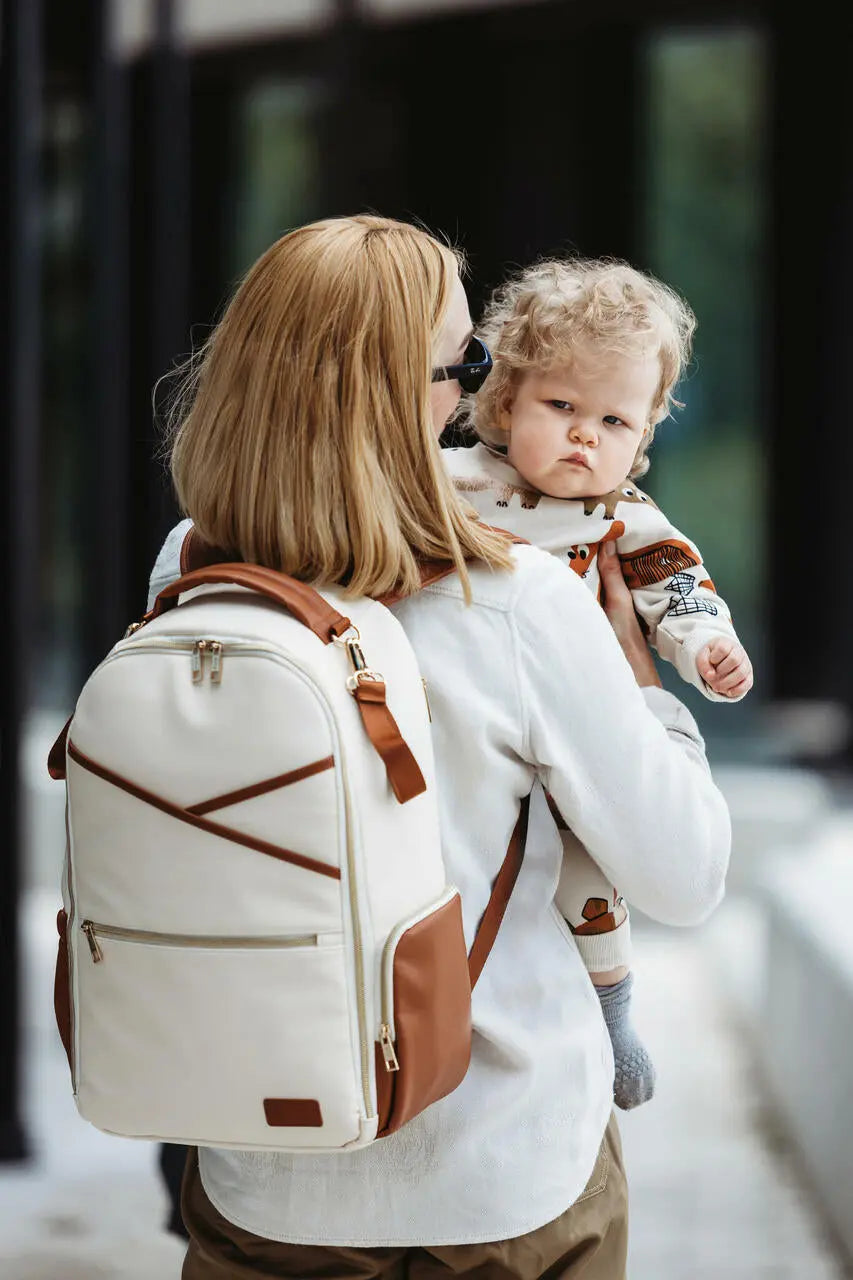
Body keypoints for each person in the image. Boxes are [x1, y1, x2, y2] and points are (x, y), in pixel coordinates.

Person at [146, 214, 731, 1280]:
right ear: (398, 389)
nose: (475, 392)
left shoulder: (189, 564)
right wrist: (643, 686)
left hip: (264, 1151)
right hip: (505, 1168)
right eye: (464, 362)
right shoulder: (518, 598)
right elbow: (685, 875)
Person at [443, 256, 752, 1111]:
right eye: (561, 407)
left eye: (613, 420)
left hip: (580, 734)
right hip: (475, 728)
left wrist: (703, 651)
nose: (585, 436)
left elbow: (674, 588)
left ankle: (613, 1008)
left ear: (643, 434)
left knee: (588, 871)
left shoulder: (624, 519)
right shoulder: (453, 485)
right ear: (504, 402)